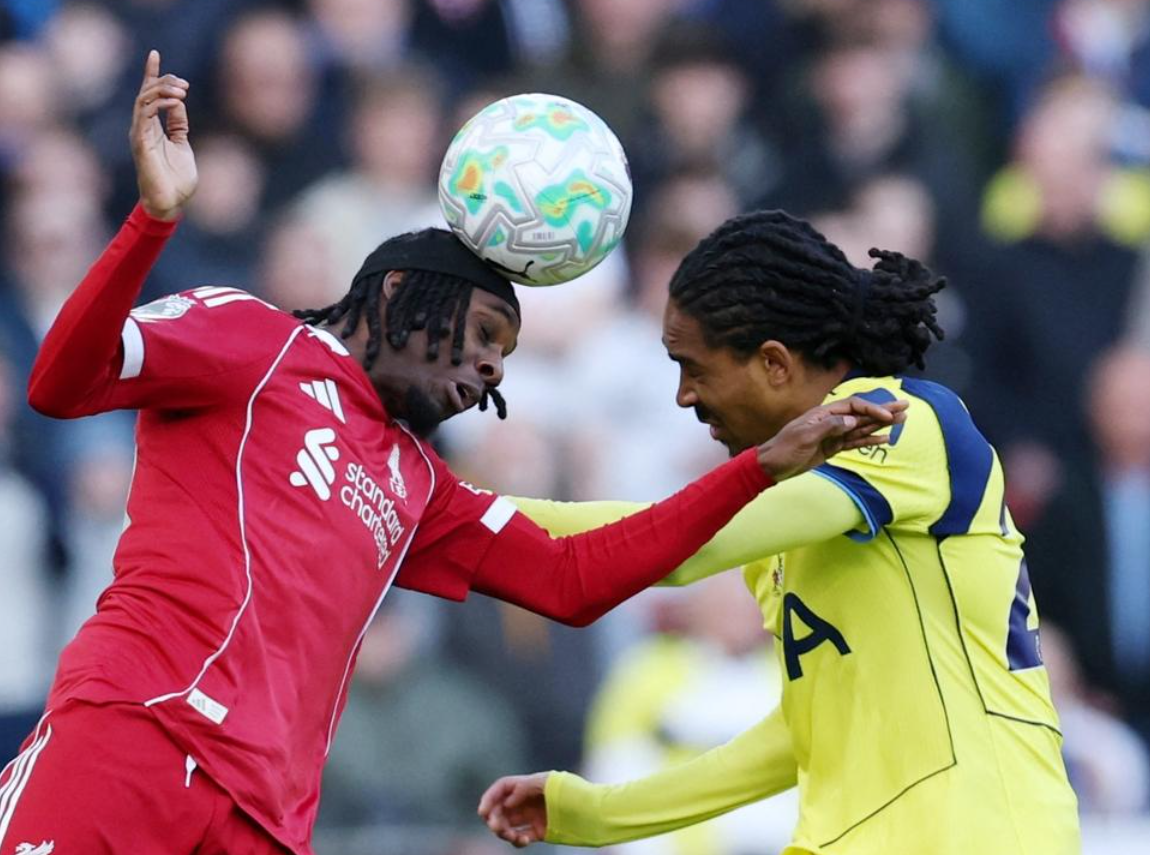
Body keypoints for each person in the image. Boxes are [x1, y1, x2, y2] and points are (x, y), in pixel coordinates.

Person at [1, 52, 901, 855]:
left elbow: (575, 578)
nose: (492, 369)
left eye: (505, 354)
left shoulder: (419, 486)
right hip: (138, 731)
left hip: (264, 815)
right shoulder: (253, 339)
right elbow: (60, 383)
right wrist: (151, 223)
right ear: (398, 293)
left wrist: (758, 467)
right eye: (482, 336)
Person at [480, 209, 1081, 855]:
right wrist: (599, 813)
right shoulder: (779, 517)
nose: (683, 396)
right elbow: (804, 727)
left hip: (973, 832)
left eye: (695, 367)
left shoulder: (901, 422)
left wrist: (459, 511)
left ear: (773, 363)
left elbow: (676, 549)